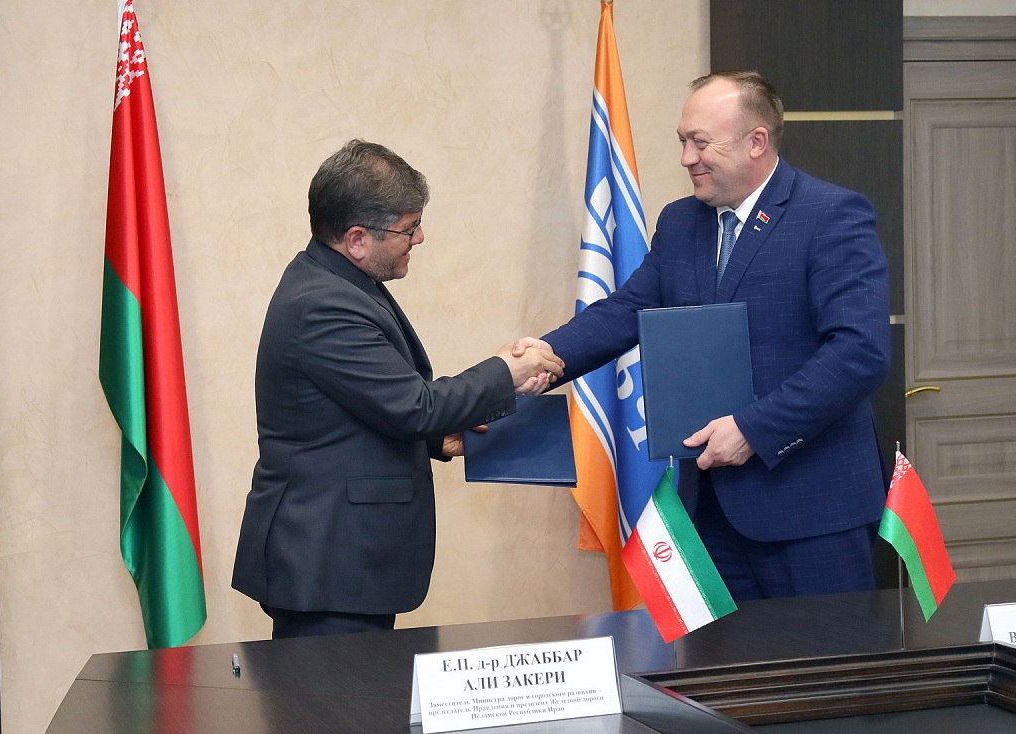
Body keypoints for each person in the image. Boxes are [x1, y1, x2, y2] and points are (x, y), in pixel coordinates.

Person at [518, 71, 890, 600]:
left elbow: (859, 353)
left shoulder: (830, 215)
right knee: (721, 657)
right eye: (682, 141)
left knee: (822, 654)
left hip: (811, 512)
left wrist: (753, 429)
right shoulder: (681, 222)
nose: (686, 158)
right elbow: (626, 311)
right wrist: (543, 355)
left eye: (700, 142)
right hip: (710, 514)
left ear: (756, 141)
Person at [232, 139, 564, 638]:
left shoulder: (337, 280)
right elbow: (415, 405)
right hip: (326, 563)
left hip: (340, 561)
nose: (420, 237)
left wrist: (439, 439)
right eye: (409, 228)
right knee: (338, 693)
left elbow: (368, 404)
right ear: (357, 239)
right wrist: (505, 371)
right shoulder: (323, 304)